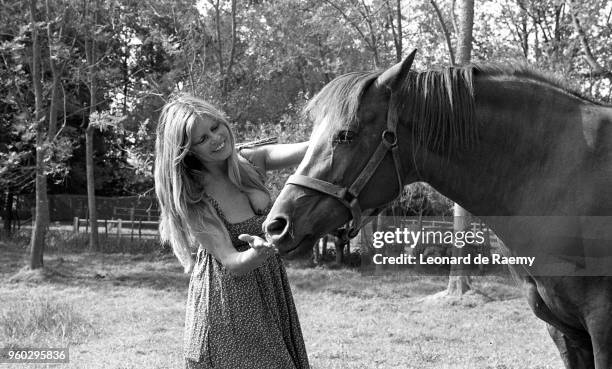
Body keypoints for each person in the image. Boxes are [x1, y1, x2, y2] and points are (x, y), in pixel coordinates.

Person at [154, 94, 310, 369]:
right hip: (228, 304)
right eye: (202, 139)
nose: (215, 138)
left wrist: (339, 127)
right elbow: (231, 262)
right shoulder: (196, 196)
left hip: (269, 293)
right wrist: (257, 253)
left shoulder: (249, 160)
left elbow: (312, 148)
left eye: (215, 127)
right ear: (188, 150)